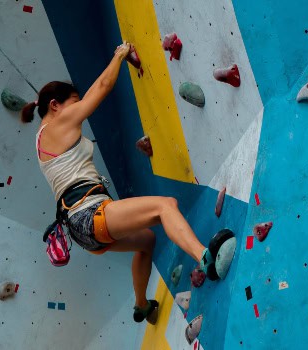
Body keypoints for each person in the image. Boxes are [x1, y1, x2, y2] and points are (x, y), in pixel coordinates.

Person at [21, 42, 213, 324]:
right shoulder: (55, 125)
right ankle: (204, 257)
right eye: (73, 103)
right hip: (89, 215)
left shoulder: (42, 141)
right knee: (165, 206)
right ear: (55, 106)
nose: (78, 110)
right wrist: (119, 55)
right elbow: (100, 89)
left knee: (147, 240)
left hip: (80, 229)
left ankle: (141, 306)